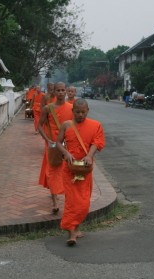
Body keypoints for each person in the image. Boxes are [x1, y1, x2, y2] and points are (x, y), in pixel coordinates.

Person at [56, 98, 105, 246]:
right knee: (72, 202)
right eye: (77, 112)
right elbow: (58, 142)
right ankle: (71, 234)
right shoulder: (66, 125)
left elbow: (97, 142)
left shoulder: (95, 125)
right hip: (69, 169)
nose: (80, 115)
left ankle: (76, 228)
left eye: (83, 112)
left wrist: (89, 155)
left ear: (88, 111)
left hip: (84, 169)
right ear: (73, 111)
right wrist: (66, 153)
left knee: (83, 203)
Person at [38, 82, 73, 214]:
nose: (60, 92)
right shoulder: (48, 108)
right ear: (55, 92)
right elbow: (40, 126)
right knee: (52, 172)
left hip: (67, 146)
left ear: (66, 91)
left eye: (62, 90)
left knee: (67, 172)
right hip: (52, 145)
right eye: (58, 90)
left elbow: (75, 126)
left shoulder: (71, 108)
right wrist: (47, 139)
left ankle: (68, 198)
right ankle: (55, 202)